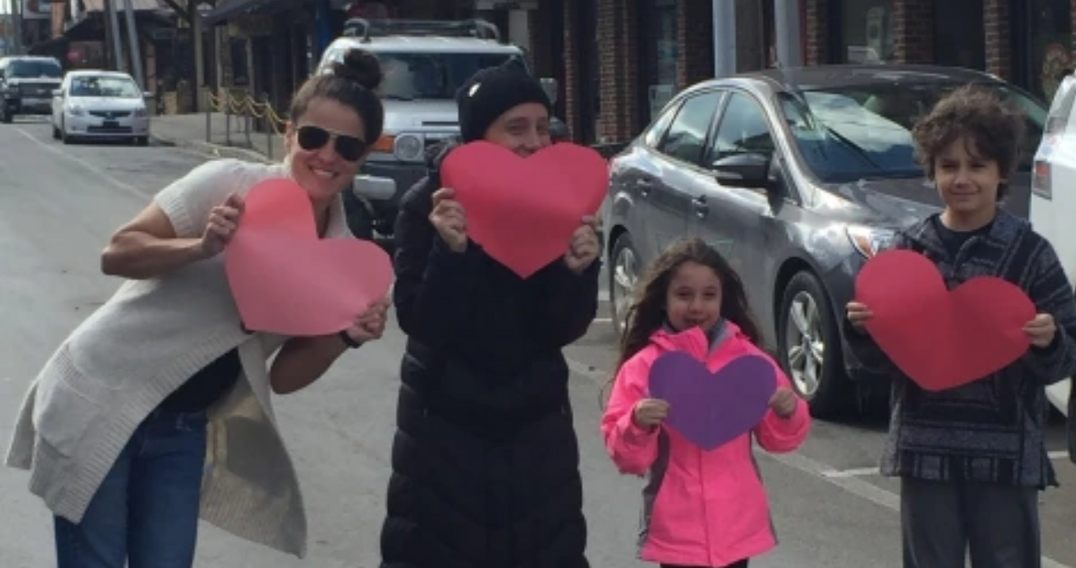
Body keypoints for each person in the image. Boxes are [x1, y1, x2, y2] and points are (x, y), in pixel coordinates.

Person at [5, 50, 390, 567]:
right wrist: (201, 247)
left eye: (348, 146)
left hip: (182, 428)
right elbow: (117, 252)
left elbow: (284, 377)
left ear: (363, 156)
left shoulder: (341, 254)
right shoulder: (228, 185)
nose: (328, 156)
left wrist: (345, 338)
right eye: (314, 137)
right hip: (101, 396)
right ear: (288, 134)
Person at [844, 84, 1076, 568]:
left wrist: (1048, 341)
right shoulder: (908, 249)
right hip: (924, 448)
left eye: (977, 166)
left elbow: (1073, 351)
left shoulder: (1029, 254)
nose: (963, 178)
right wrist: (863, 332)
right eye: (949, 165)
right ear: (930, 170)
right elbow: (877, 361)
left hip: (1005, 455)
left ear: (1001, 174)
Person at [379, 57, 600, 568]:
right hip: (444, 428)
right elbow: (422, 323)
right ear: (478, 136)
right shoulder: (429, 206)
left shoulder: (560, 205)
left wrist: (577, 272)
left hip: (537, 429)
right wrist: (451, 254)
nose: (532, 141)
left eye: (542, 128)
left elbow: (563, 328)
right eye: (515, 128)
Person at [601, 237, 811, 568]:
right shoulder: (644, 367)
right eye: (684, 295)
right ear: (664, 299)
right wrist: (637, 423)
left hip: (736, 526)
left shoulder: (748, 361)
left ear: (722, 299)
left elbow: (778, 438)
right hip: (676, 530)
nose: (697, 306)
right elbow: (627, 458)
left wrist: (790, 413)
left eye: (709, 295)